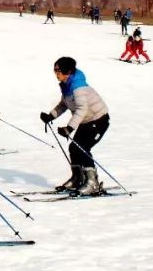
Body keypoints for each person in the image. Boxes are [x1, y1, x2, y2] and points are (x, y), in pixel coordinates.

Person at [40, 57, 110, 195]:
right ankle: (78, 178)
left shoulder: (78, 87)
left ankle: (93, 183)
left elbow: (82, 109)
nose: (56, 73)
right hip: (86, 121)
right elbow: (63, 105)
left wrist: (69, 128)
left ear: (69, 71)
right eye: (55, 70)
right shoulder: (66, 85)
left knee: (83, 148)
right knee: (74, 147)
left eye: (59, 70)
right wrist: (50, 116)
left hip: (99, 120)